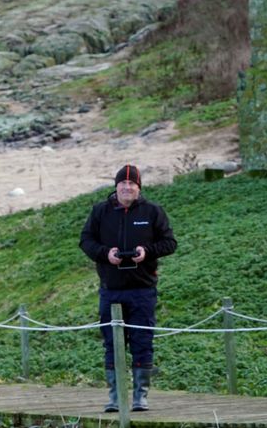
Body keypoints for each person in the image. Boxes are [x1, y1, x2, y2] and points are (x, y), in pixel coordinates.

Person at [79, 164, 177, 412]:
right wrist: (105, 253)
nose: (127, 187)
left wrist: (147, 252)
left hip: (142, 289)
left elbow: (169, 243)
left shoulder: (153, 211)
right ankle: (115, 397)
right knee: (112, 343)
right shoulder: (100, 211)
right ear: (116, 186)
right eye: (123, 183)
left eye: (132, 184)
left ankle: (140, 397)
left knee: (142, 342)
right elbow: (85, 241)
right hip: (110, 289)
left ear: (138, 187)